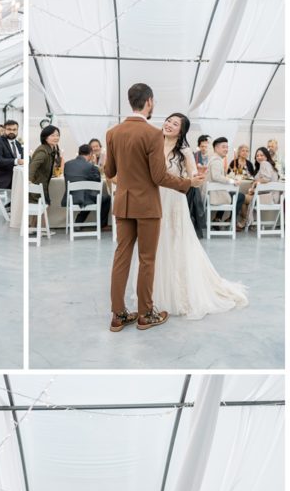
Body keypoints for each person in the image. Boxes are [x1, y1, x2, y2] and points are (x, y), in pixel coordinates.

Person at [104, 85, 205, 333]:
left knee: (121, 258)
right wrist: (187, 184)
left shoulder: (112, 132)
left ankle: (118, 316)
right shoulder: (153, 135)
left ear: (130, 101)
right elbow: (159, 176)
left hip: (123, 204)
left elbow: (109, 172)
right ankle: (145, 314)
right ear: (149, 102)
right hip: (148, 206)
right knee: (147, 260)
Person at [133, 112, 247, 320]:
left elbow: (193, 174)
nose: (169, 124)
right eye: (168, 120)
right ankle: (151, 292)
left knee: (176, 243)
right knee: (154, 245)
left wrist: (196, 176)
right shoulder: (153, 143)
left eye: (175, 123)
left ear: (181, 130)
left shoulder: (184, 151)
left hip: (173, 200)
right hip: (153, 198)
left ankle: (179, 293)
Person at [61, 144, 111, 228]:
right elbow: (97, 183)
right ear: (91, 154)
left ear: (79, 152)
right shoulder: (91, 166)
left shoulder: (67, 164)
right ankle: (102, 225)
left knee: (88, 195)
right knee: (105, 198)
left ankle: (78, 222)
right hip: (84, 198)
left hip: (70, 197)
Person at [237, 147, 280, 231]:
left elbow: (266, 179)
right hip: (270, 196)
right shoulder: (267, 165)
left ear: (266, 156)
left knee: (241, 197)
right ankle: (246, 221)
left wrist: (255, 184)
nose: (259, 157)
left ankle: (244, 221)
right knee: (243, 197)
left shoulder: (265, 163)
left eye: (261, 155)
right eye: (257, 156)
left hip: (268, 197)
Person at [28, 125, 59, 204]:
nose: (56, 138)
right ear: (45, 137)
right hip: (37, 187)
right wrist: (29, 181)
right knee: (39, 210)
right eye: (52, 135)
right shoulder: (43, 151)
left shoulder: (52, 149)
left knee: (45, 208)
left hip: (43, 186)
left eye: (57, 135)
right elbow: (33, 166)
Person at [0, 119, 23, 191]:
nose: (12, 131)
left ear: (17, 131)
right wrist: (17, 161)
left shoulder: (18, 144)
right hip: (4, 177)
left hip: (18, 176)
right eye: (9, 129)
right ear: (4, 130)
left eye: (14, 129)